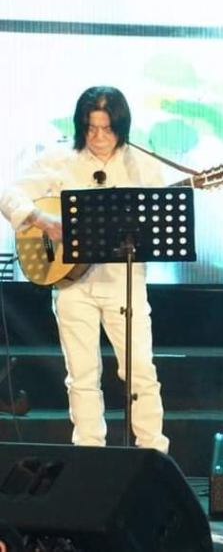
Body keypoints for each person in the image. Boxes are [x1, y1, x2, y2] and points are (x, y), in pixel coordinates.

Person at [0, 86, 170, 452]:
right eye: (91, 128)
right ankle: (89, 453)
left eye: (107, 128)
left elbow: (160, 217)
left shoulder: (143, 164)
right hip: (72, 284)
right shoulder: (60, 158)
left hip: (124, 282)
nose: (99, 137)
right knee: (81, 374)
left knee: (140, 370)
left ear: (121, 127)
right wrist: (43, 220)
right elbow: (9, 193)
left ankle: (152, 452)